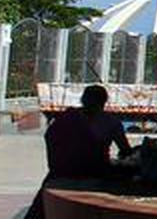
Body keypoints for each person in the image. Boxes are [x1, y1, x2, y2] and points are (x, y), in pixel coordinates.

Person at [25, 85, 132, 219]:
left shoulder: (67, 118)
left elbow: (50, 138)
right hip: (96, 173)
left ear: (83, 100)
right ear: (104, 102)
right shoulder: (110, 122)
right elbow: (126, 150)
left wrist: (57, 162)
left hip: (62, 172)